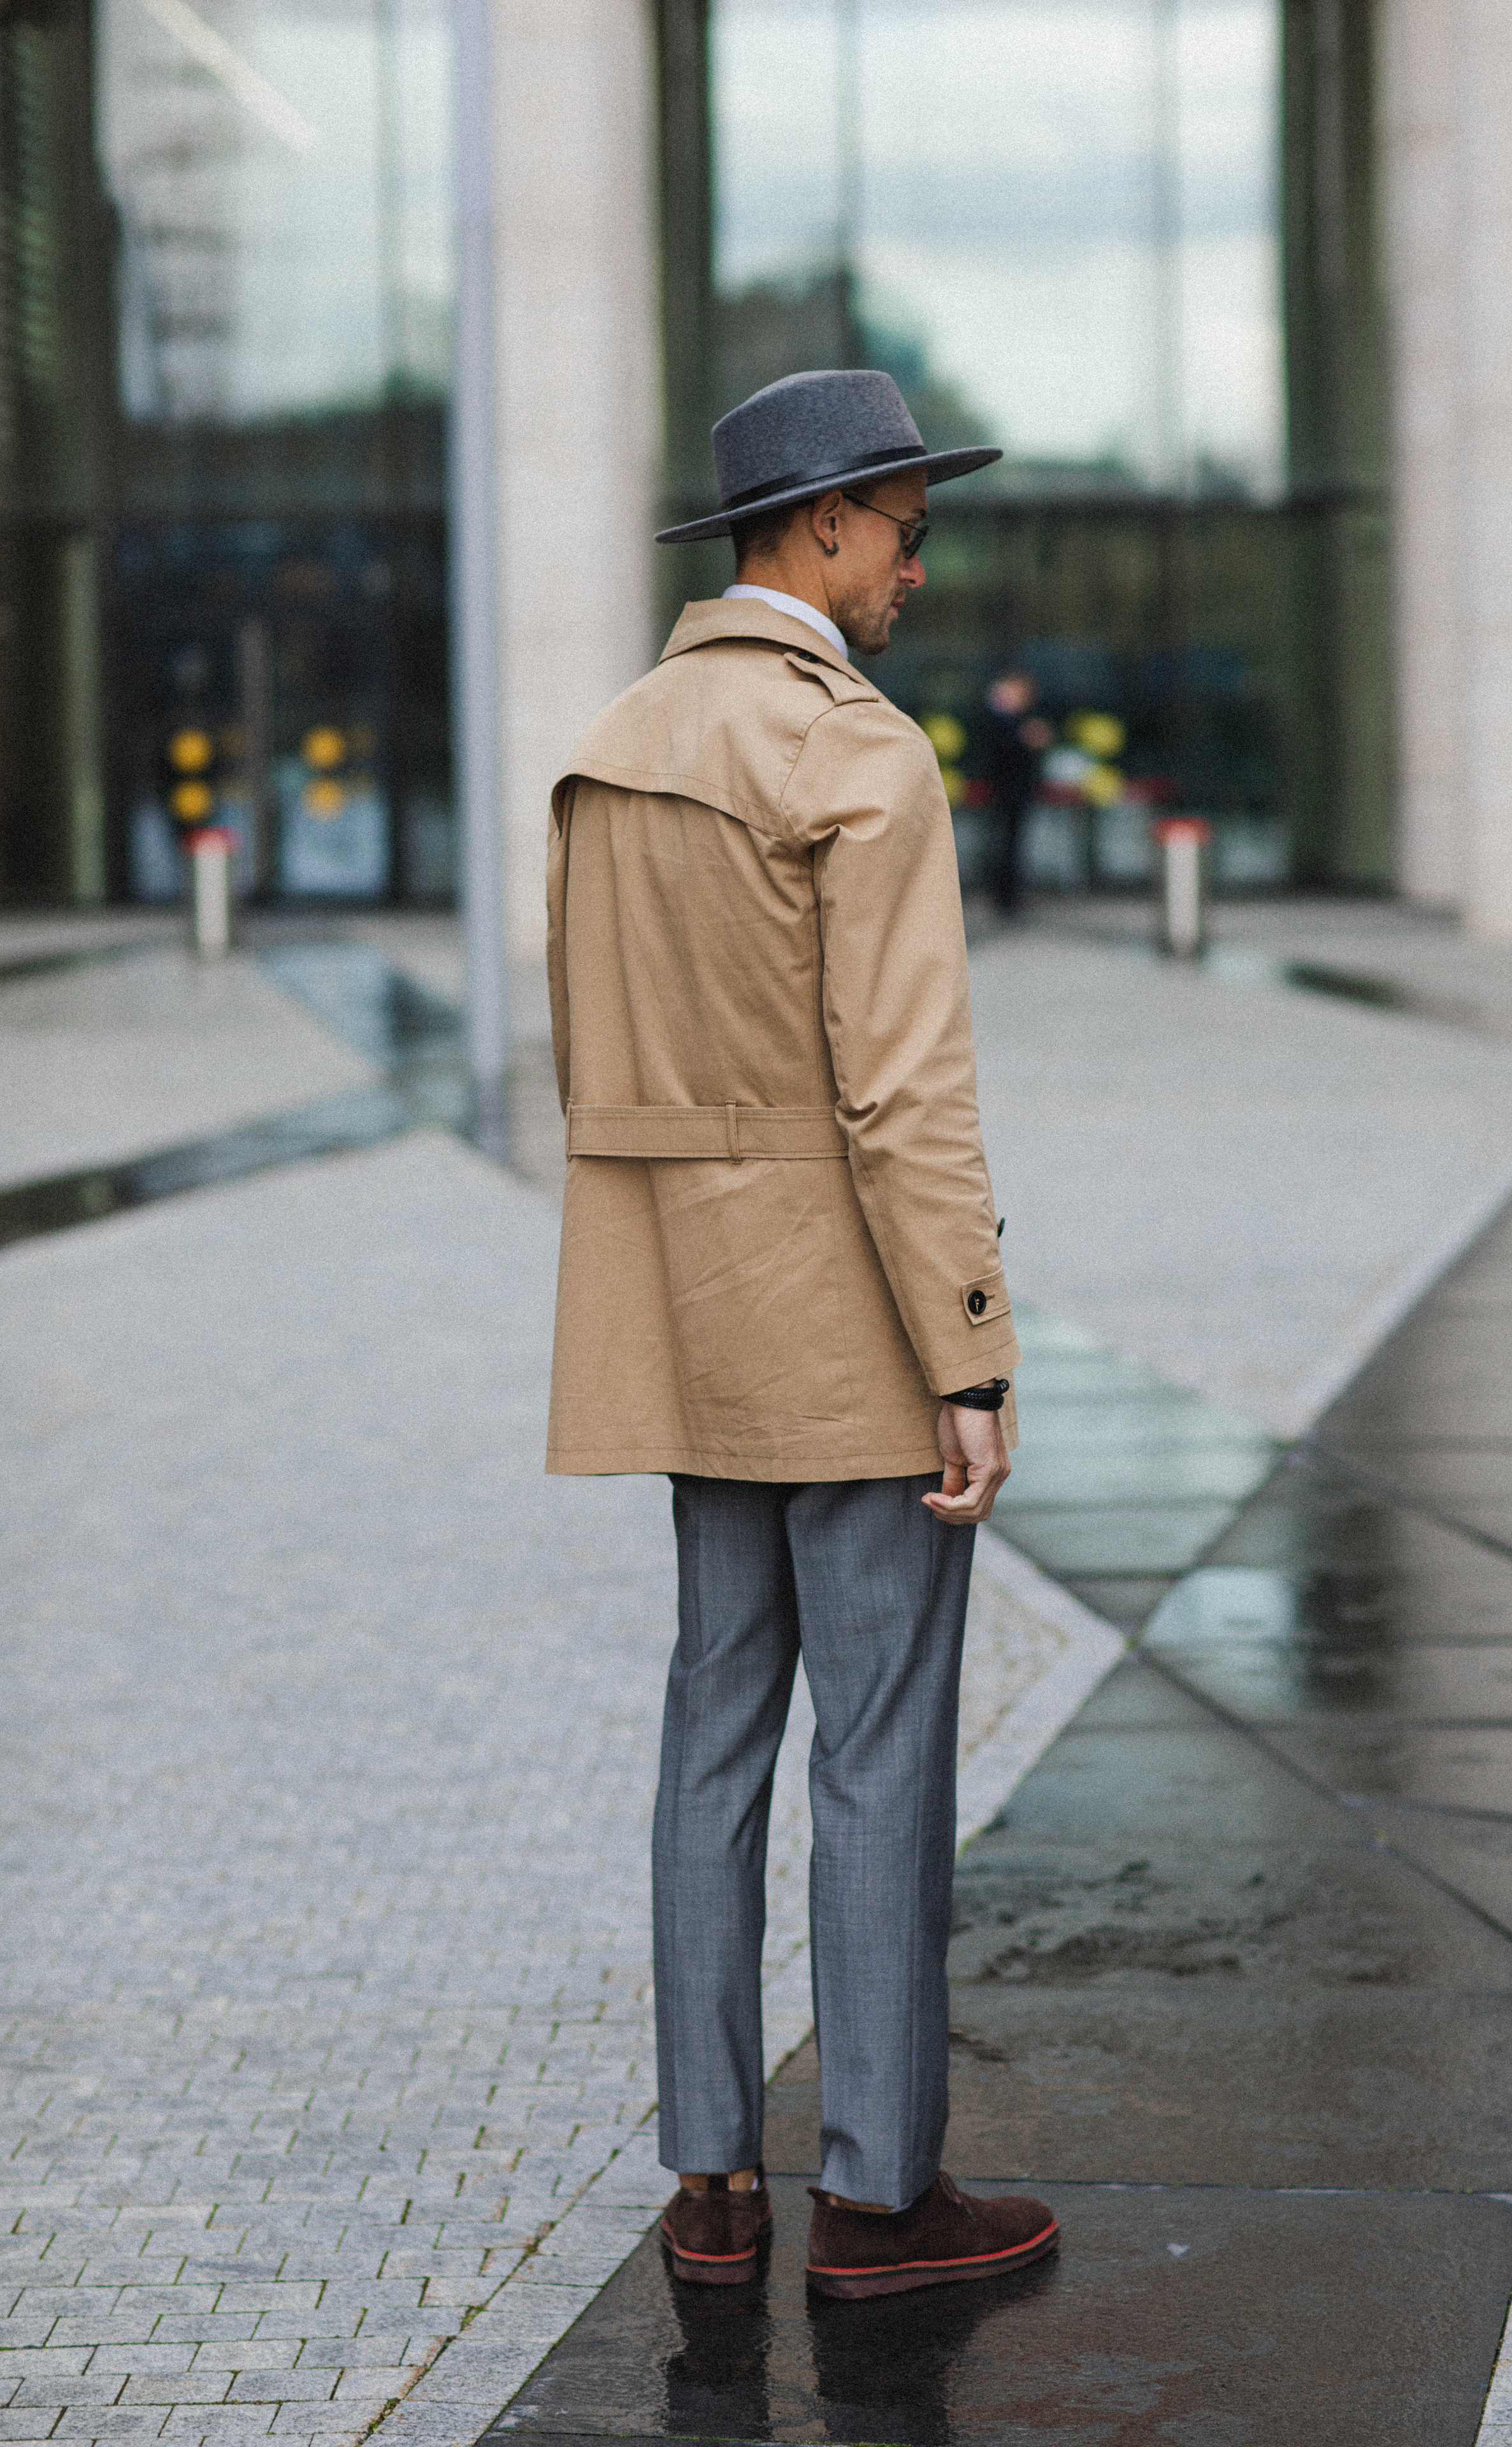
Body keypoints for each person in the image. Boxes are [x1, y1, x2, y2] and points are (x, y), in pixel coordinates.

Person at [545, 369, 1059, 2300]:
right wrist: (971, 1352)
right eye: (908, 529)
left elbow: (600, 1053)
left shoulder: (612, 742)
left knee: (711, 1730)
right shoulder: (862, 754)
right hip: (847, 1326)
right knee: (879, 1746)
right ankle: (873, 2191)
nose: (919, 565)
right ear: (821, 527)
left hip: (684, 1318)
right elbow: (905, 1093)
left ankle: (709, 2184)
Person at [980, 668, 1053, 916]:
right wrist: (1025, 739)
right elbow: (1000, 749)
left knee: (1011, 841)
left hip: (1015, 787)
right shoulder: (1002, 715)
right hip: (1007, 788)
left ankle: (1008, 893)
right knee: (1006, 841)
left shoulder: (1014, 715)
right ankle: (1005, 895)